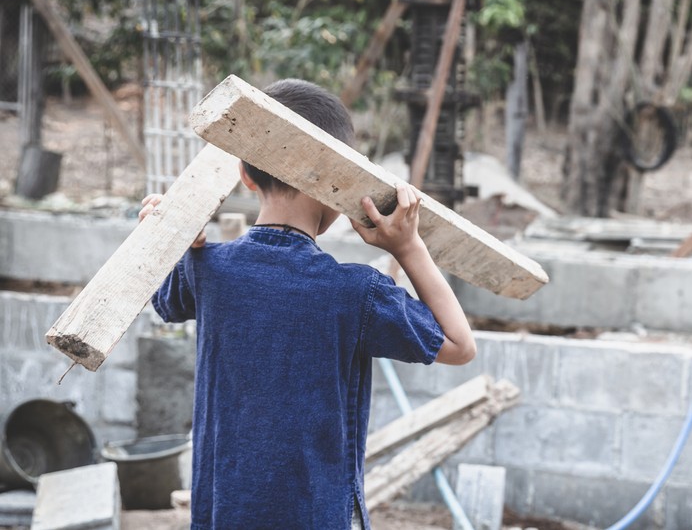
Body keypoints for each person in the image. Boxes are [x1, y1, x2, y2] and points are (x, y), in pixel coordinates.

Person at [140, 78, 476, 530]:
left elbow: (163, 299)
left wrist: (169, 234)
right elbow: (459, 345)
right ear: (338, 185)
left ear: (245, 174)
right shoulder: (355, 292)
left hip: (222, 513)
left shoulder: (208, 270)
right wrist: (408, 248)